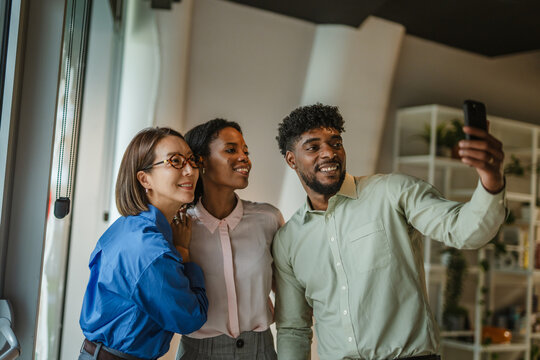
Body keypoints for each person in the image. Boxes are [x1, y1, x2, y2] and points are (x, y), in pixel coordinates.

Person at [272, 103, 506, 360]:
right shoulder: (288, 240)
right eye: (313, 147)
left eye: (335, 142)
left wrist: (491, 178)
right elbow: (293, 330)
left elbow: (464, 231)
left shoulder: (392, 192)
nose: (329, 153)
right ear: (291, 159)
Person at [79, 127, 209, 360]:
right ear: (144, 178)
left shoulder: (130, 225)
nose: (190, 170)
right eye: (175, 161)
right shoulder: (150, 249)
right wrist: (184, 254)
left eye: (191, 160)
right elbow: (190, 318)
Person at [176, 119, 284, 360]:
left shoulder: (268, 219)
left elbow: (288, 292)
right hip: (197, 353)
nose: (244, 157)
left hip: (261, 351)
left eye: (246, 151)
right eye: (231, 150)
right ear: (201, 160)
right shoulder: (180, 226)